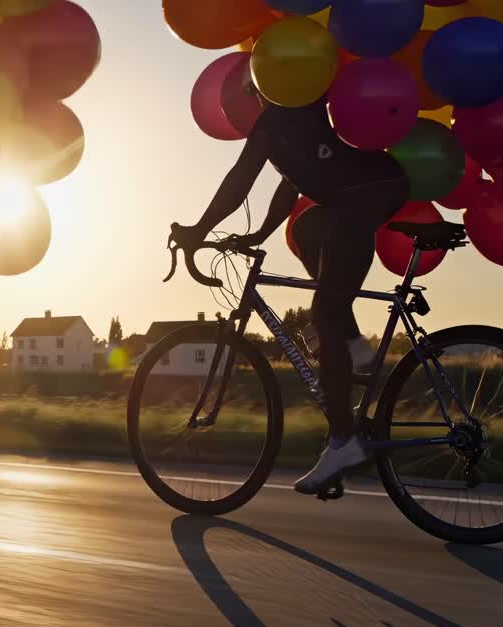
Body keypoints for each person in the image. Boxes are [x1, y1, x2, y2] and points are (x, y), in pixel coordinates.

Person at [173, 95, 409, 494]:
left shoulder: (281, 116)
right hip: (367, 189)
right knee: (306, 230)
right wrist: (259, 235)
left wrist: (198, 231)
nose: (253, 96)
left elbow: (239, 179)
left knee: (325, 314)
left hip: (362, 193)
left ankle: (343, 443)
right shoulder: (297, 116)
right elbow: (290, 185)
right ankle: (354, 348)